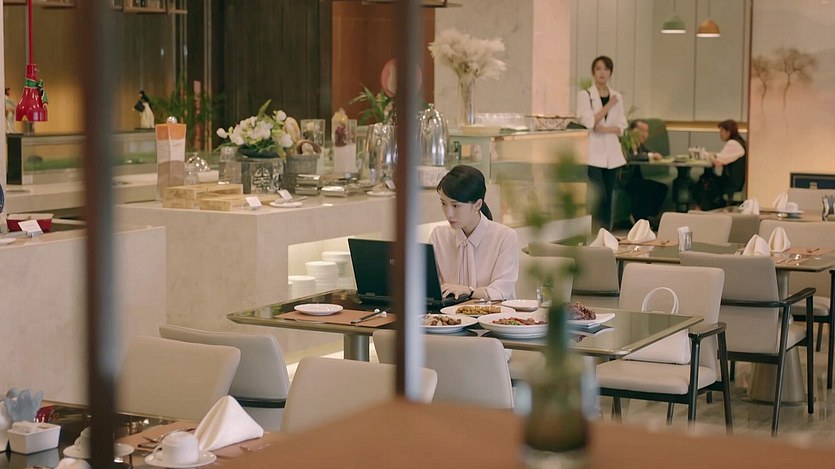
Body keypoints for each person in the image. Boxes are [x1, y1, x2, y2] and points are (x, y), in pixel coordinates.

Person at [430, 165, 518, 301]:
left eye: (455, 205)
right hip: (449, 313)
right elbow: (431, 287)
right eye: (443, 203)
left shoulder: (504, 237)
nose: (448, 213)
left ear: (477, 205)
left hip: (494, 312)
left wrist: (469, 291)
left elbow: (502, 291)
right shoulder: (439, 236)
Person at [577, 55, 628, 229]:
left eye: (606, 69)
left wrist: (605, 129)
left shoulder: (617, 96)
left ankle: (606, 232)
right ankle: (594, 231)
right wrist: (608, 106)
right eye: (598, 68)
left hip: (612, 154)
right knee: (598, 195)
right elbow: (589, 122)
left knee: (609, 196)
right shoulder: (585, 95)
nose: (602, 73)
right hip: (593, 154)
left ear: (610, 72)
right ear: (593, 72)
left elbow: (621, 126)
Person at [693, 119, 747, 210]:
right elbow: (724, 157)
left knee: (704, 182)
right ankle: (704, 208)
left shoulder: (733, 143)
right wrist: (713, 155)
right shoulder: (740, 142)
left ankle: (703, 209)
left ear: (728, 132)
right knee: (707, 178)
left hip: (731, 184)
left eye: (721, 131)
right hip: (737, 182)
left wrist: (709, 156)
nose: (720, 134)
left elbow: (718, 162)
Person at [624, 119, 668, 224]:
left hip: (637, 180)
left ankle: (650, 217)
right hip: (626, 180)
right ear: (632, 131)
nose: (644, 134)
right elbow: (629, 157)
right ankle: (639, 218)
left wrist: (653, 155)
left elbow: (649, 153)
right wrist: (650, 156)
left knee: (661, 188)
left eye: (646, 131)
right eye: (641, 130)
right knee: (646, 188)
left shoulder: (640, 145)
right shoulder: (625, 143)